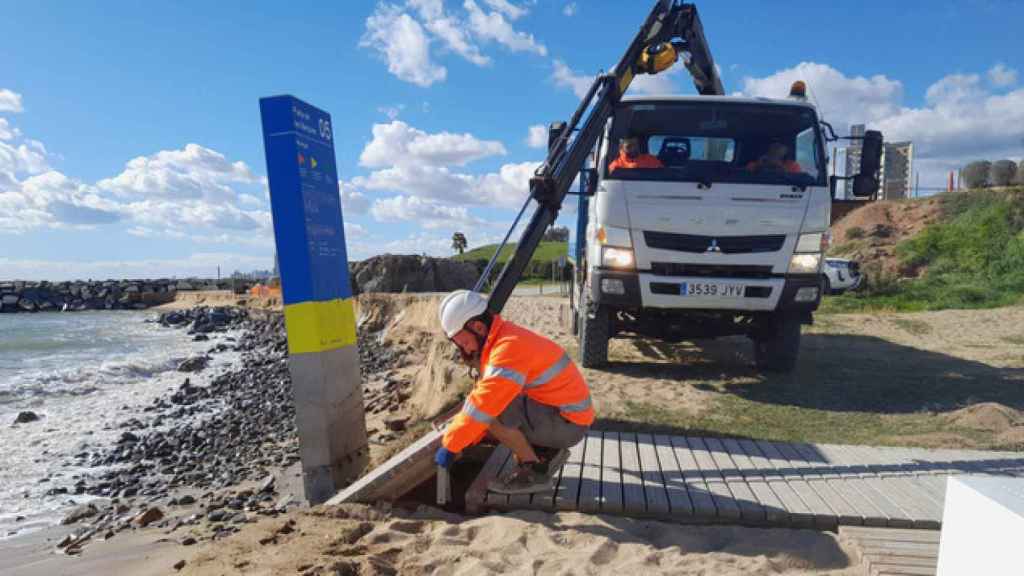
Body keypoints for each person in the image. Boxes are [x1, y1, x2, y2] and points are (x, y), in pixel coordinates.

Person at [433, 290, 595, 494]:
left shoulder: (507, 350)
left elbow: (483, 406)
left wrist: (451, 446)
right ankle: (546, 451)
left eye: (464, 342)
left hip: (569, 425)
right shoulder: (504, 335)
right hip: (568, 415)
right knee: (494, 409)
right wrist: (470, 434)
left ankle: (534, 472)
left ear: (478, 327)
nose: (466, 350)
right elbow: (484, 394)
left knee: (492, 415)